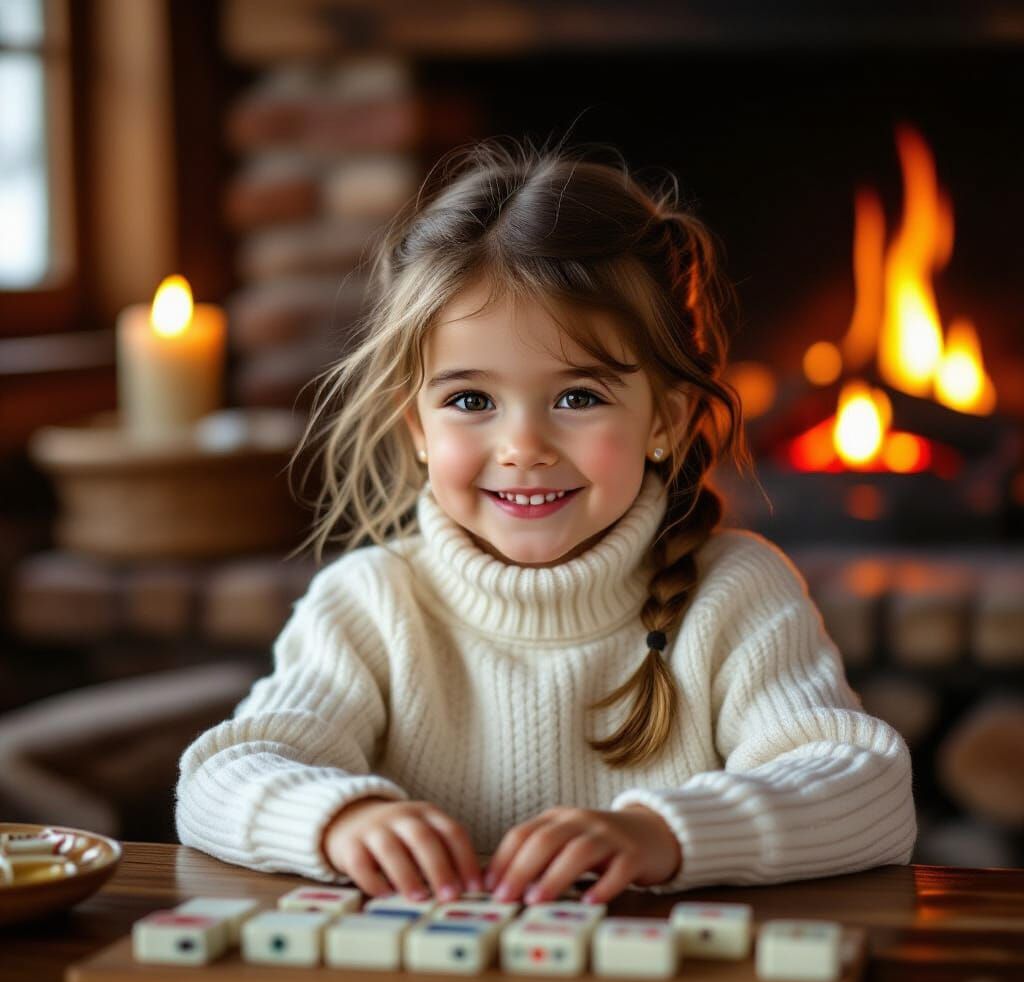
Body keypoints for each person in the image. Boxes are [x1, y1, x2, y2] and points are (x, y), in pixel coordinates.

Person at [176, 137, 916, 907]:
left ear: (667, 417)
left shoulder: (736, 594)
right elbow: (220, 779)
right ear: (418, 428)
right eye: (470, 401)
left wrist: (660, 836)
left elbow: (868, 793)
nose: (523, 448)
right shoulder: (369, 603)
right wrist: (340, 819)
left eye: (577, 397)